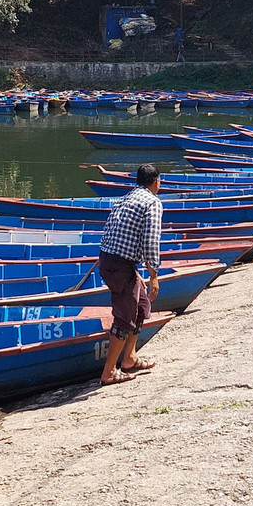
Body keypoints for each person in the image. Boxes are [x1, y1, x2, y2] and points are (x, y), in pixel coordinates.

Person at [97, 163, 163, 386]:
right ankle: (109, 372)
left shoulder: (124, 198)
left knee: (142, 306)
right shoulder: (152, 202)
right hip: (119, 265)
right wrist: (153, 275)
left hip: (109, 260)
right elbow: (150, 242)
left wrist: (134, 271)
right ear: (156, 182)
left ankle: (129, 358)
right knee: (125, 316)